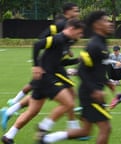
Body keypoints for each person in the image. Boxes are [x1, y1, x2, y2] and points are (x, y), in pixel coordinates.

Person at [36, 11, 115, 144]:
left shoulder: (102, 43)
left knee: (85, 131)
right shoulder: (94, 45)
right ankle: (46, 136)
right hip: (90, 94)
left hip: (93, 92)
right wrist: (95, 90)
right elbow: (82, 71)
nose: (110, 23)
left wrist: (107, 82)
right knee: (106, 128)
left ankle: (48, 138)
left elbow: (96, 69)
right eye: (106, 21)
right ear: (97, 25)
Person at [1, 19, 85, 144]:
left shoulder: (66, 42)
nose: (81, 36)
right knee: (69, 103)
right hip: (47, 79)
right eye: (79, 32)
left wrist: (77, 60)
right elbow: (37, 45)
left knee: (32, 111)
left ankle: (9, 136)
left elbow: (60, 62)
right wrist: (36, 66)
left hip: (43, 80)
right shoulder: (58, 39)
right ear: (72, 29)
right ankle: (44, 127)